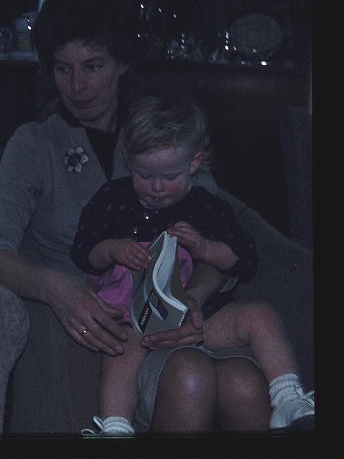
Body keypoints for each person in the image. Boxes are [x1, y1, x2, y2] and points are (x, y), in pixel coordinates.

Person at [0, 0, 273, 433]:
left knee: (246, 384)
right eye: (62, 69)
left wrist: (194, 300)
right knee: (191, 377)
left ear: (122, 64)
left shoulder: (163, 137)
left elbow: (220, 234)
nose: (77, 86)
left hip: (183, 318)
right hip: (106, 333)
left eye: (93, 67)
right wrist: (54, 288)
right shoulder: (36, 144)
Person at [70, 96, 314, 436]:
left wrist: (205, 247)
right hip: (131, 320)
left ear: (194, 164)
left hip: (199, 316)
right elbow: (82, 251)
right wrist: (111, 249)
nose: (156, 187)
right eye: (144, 175)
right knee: (119, 354)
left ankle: (288, 399)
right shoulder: (112, 199)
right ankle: (115, 428)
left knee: (260, 315)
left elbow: (244, 258)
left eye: (169, 176)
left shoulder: (206, 207)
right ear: (127, 160)